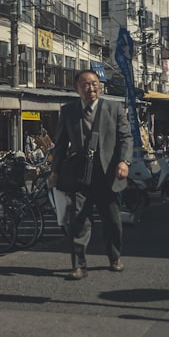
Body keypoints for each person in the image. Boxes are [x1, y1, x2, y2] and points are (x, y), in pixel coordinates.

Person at [50, 70, 133, 280]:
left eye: (95, 83)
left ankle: (114, 257)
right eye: (85, 84)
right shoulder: (68, 111)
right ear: (77, 88)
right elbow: (60, 145)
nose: (91, 88)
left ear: (100, 86)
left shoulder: (114, 108)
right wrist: (55, 171)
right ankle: (79, 265)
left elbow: (126, 138)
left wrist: (124, 161)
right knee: (78, 220)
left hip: (107, 175)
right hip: (80, 175)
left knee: (112, 221)